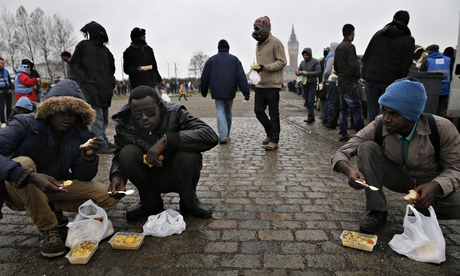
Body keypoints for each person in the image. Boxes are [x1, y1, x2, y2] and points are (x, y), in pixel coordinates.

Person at [0, 79, 119, 257]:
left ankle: (53, 208)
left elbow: (83, 176)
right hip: (18, 188)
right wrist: (31, 176)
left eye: (73, 112)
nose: (67, 117)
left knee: (108, 196)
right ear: (50, 109)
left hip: (55, 186)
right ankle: (48, 228)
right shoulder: (24, 123)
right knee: (24, 162)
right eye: (62, 111)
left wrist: (88, 157)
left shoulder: (80, 134)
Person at [331, 78, 460, 234]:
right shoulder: (379, 124)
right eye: (384, 110)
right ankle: (377, 211)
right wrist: (349, 171)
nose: (386, 118)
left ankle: (424, 209)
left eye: (394, 114)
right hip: (398, 178)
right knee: (366, 148)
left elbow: (456, 167)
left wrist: (436, 186)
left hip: (429, 180)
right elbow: (341, 152)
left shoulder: (442, 128)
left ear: (412, 116)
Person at [109, 85, 218, 220]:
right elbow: (118, 155)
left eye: (149, 112)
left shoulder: (176, 113)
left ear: (159, 107)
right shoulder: (124, 123)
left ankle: (189, 202)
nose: (144, 118)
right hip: (148, 175)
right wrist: (117, 177)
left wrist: (167, 140)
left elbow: (209, 135)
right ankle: (150, 203)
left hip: (176, 171)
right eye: (137, 115)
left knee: (190, 155)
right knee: (126, 153)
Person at [70, 21, 116, 154]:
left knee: (104, 118)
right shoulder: (83, 46)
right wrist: (84, 79)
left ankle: (103, 139)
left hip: (105, 88)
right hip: (91, 88)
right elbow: (75, 64)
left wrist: (111, 82)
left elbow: (111, 69)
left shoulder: (106, 51)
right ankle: (99, 143)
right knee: (97, 117)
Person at [362, 10, 415, 122]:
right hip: (391, 80)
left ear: (394, 18)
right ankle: (384, 136)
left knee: (372, 110)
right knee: (388, 112)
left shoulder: (378, 34)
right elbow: (406, 64)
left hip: (371, 78)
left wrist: (365, 75)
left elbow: (366, 57)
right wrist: (399, 79)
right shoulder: (408, 39)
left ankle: (372, 134)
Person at [200, 39, 250, 144]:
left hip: (217, 90)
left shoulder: (211, 60)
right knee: (228, 110)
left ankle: (222, 135)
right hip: (230, 90)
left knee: (220, 109)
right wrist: (246, 92)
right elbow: (241, 77)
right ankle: (226, 133)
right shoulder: (234, 60)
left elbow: (205, 77)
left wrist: (203, 91)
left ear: (218, 48)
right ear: (228, 48)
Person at [251, 16, 287, 151]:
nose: (255, 32)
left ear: (265, 29)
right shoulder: (258, 44)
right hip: (260, 84)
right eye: (254, 29)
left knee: (273, 113)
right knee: (258, 111)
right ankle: (270, 132)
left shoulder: (276, 43)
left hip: (272, 85)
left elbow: (282, 61)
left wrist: (265, 67)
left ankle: (274, 140)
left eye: (257, 29)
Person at [334, 24, 365, 142]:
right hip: (350, 81)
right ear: (352, 34)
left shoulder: (338, 47)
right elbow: (353, 64)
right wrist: (357, 76)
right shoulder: (350, 47)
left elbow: (336, 66)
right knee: (356, 108)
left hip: (341, 81)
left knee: (343, 108)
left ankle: (342, 132)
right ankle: (360, 134)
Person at [420, 44, 452, 118]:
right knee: (442, 109)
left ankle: (431, 124)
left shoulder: (427, 60)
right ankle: (442, 126)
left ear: (429, 51)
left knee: (430, 109)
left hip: (431, 88)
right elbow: (451, 71)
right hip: (445, 87)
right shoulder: (448, 59)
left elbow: (422, 74)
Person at [295, 47, 321, 124]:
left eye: (307, 55)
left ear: (310, 54)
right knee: (306, 100)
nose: (305, 56)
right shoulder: (302, 63)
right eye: (304, 55)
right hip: (304, 83)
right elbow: (298, 70)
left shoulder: (315, 61)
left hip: (312, 83)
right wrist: (297, 72)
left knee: (311, 100)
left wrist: (308, 73)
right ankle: (311, 116)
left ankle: (310, 117)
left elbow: (318, 72)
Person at [322, 42, 340, 129]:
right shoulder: (332, 57)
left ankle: (326, 119)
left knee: (329, 100)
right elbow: (327, 71)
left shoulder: (329, 56)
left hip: (329, 81)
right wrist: (325, 80)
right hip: (331, 81)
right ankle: (329, 119)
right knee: (331, 101)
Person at [0, 57, 13, 128]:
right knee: (1, 108)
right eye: (1, 63)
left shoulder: (6, 71)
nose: (3, 64)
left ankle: (9, 120)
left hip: (7, 90)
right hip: (1, 91)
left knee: (9, 107)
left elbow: (9, 80)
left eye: (3, 63)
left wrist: (11, 88)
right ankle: (3, 122)